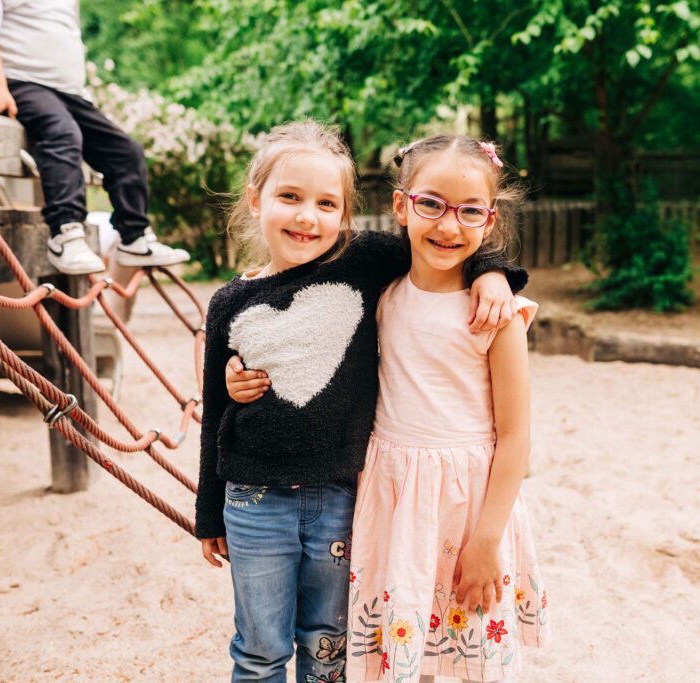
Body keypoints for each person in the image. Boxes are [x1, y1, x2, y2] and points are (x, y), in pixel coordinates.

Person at [198, 121, 528, 683]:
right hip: (261, 495)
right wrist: (209, 509)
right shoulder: (232, 301)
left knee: (330, 647)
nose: (308, 217)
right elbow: (213, 412)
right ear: (255, 200)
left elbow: (445, 242)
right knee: (259, 649)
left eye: (327, 203)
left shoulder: (364, 263)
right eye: (290, 197)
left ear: (346, 213)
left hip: (344, 494)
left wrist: (493, 271)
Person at [343, 135, 550, 682]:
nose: (448, 226)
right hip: (394, 496)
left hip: (470, 501)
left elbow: (516, 436)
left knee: (469, 643)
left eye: (469, 211)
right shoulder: (380, 293)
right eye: (431, 204)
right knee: (410, 648)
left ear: (490, 219)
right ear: (400, 205)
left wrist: (486, 539)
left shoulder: (498, 316)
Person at [0, 0, 189, 274]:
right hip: (20, 82)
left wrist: (81, 91)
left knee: (126, 151)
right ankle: (66, 232)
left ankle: (134, 237)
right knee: (62, 133)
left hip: (71, 93)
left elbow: (66, 34)